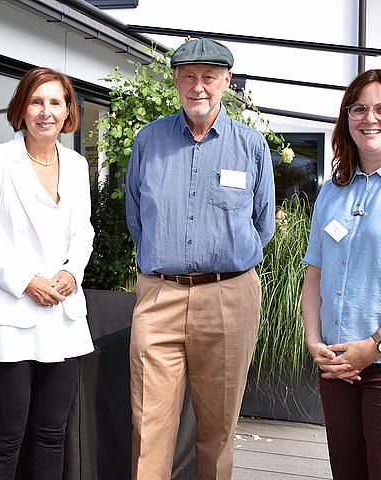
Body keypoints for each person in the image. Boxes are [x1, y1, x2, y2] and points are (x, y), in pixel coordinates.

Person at [125, 38, 276, 480]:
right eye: (188, 75)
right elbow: (138, 217)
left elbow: (261, 224)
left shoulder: (251, 146)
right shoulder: (149, 141)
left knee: (218, 430)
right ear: (175, 79)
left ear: (227, 81)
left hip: (229, 295)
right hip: (159, 296)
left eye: (209, 76)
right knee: (148, 428)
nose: (198, 87)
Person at [0, 67, 94, 480]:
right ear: (21, 107)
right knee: (6, 439)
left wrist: (72, 272)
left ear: (68, 110)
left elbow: (84, 230)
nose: (46, 111)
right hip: (10, 313)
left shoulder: (74, 164)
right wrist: (26, 281)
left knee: (52, 434)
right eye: (37, 101)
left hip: (64, 315)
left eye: (56, 102)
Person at [302, 69, 381, 480]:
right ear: (346, 118)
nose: (369, 117)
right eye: (359, 108)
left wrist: (373, 345)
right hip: (335, 365)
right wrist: (314, 341)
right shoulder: (333, 190)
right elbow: (314, 273)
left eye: (380, 108)